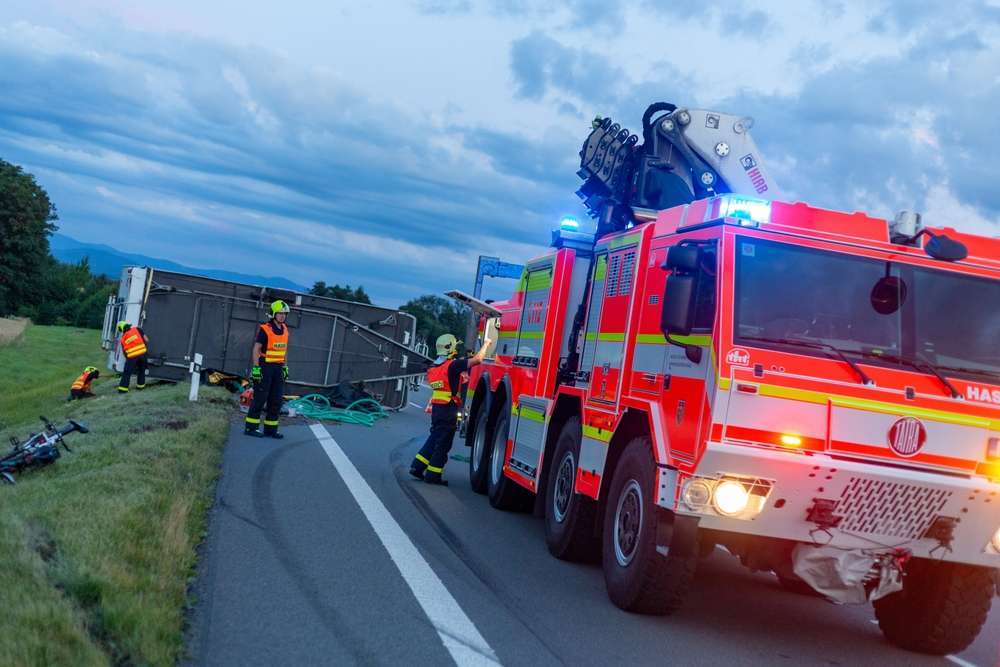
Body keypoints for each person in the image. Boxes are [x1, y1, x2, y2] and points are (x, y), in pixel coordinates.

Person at [409, 332, 492, 485]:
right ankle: (433, 475)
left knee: (434, 438)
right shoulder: (453, 365)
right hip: (449, 409)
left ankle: (417, 466)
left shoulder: (434, 366)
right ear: (450, 347)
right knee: (443, 443)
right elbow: (478, 360)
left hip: (437, 408)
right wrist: (486, 343)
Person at [245, 300, 291, 439]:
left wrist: (285, 367)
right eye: (280, 313)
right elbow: (256, 349)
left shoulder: (285, 329)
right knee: (260, 397)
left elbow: (284, 350)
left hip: (278, 368)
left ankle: (270, 429)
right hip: (265, 366)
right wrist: (256, 369)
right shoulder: (265, 329)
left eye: (284, 314)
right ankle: (250, 427)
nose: (282, 316)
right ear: (273, 314)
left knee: (276, 400)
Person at [117, 321, 149, 393]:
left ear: (122, 329)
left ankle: (123, 390)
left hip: (132, 357)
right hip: (142, 354)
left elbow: (125, 352)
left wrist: (129, 361)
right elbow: (147, 339)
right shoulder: (137, 329)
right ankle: (140, 387)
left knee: (127, 373)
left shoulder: (122, 339)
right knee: (141, 371)